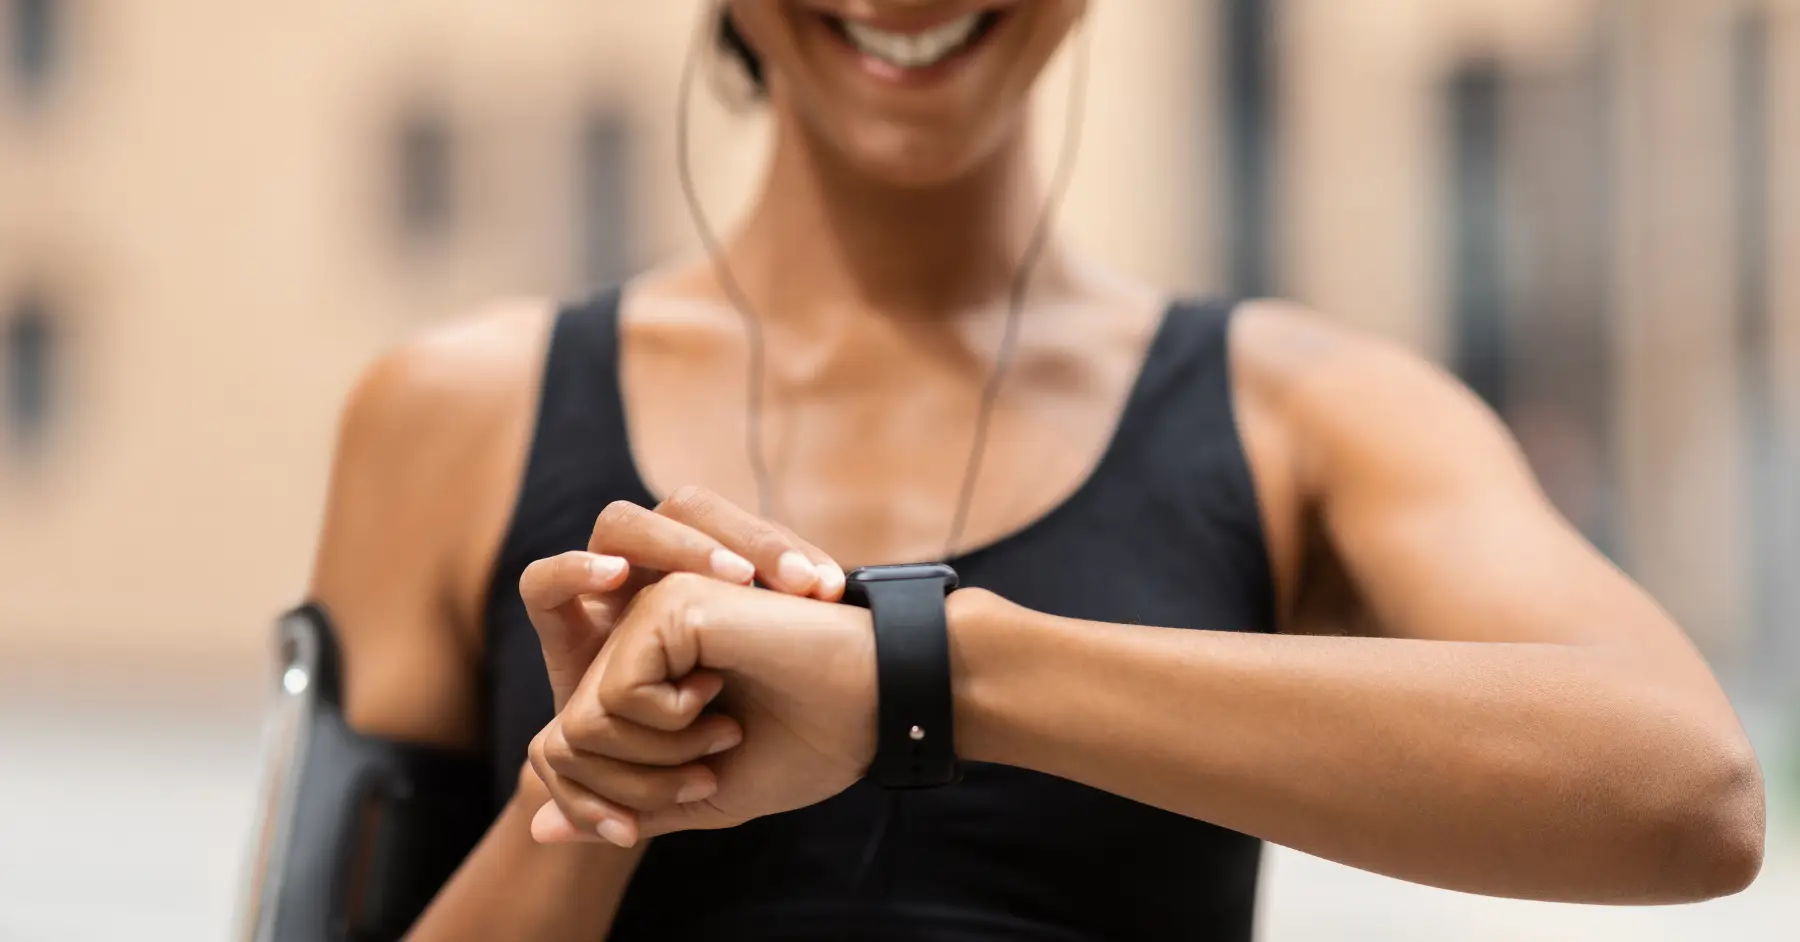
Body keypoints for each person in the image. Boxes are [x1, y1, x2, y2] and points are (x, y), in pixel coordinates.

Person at [306, 2, 1765, 939]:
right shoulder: (452, 414)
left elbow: (1687, 786)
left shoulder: (1306, 413)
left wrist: (925, 681)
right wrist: (608, 785)